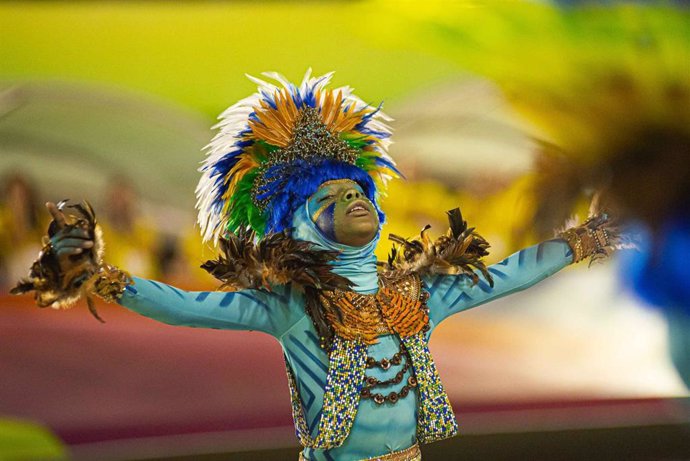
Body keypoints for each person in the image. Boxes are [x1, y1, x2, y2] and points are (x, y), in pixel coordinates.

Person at [13, 71, 621, 461]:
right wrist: (100, 277)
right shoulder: (290, 306)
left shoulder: (420, 293)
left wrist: (583, 240)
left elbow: (510, 272)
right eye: (328, 197)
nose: (354, 199)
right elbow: (184, 305)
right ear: (296, 225)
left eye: (359, 192)